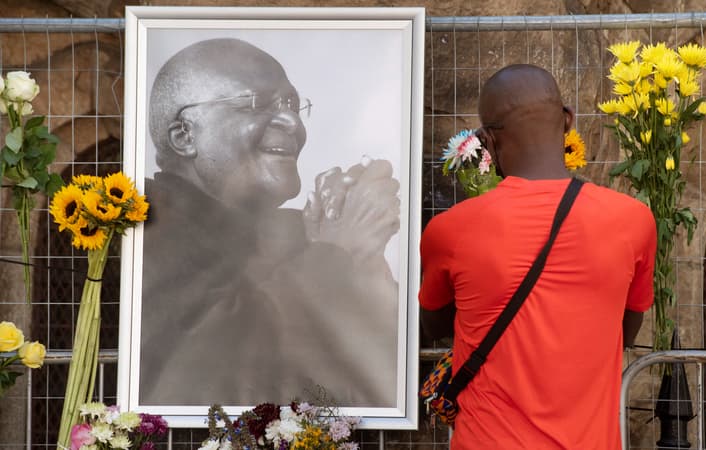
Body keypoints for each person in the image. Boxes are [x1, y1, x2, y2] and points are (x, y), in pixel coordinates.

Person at [140, 38, 399, 407]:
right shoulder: (150, 224)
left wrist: (368, 259)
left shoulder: (298, 232)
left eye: (293, 104)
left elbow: (371, 368)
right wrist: (341, 252)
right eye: (256, 103)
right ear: (185, 135)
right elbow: (206, 371)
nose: (292, 121)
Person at [418, 64, 657, 449]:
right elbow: (625, 331)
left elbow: (435, 324)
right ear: (567, 122)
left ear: (487, 141)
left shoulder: (451, 231)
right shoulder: (633, 221)